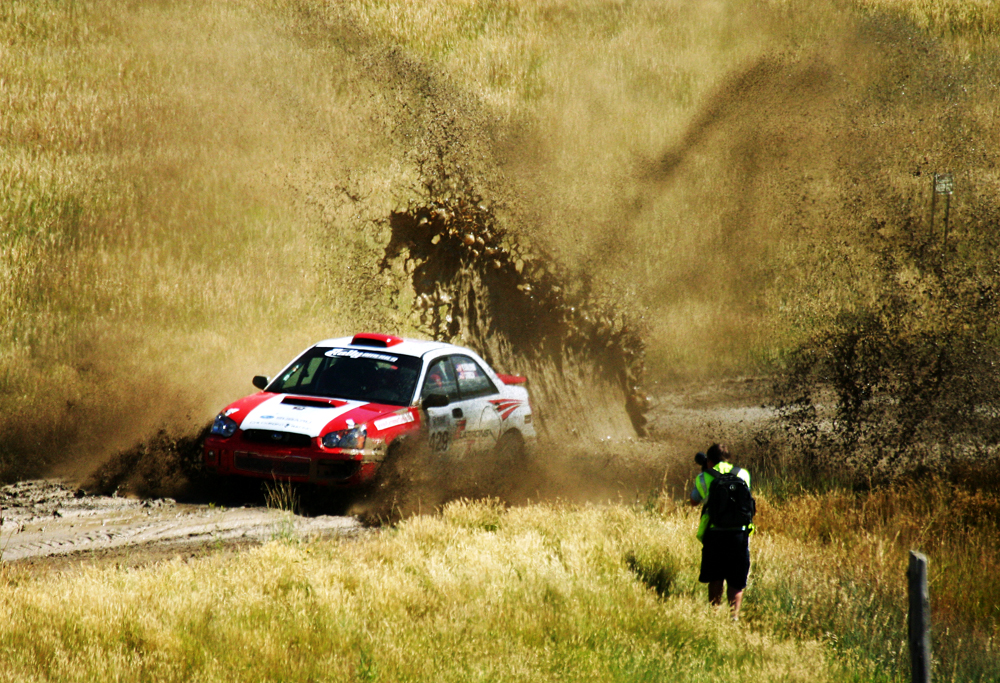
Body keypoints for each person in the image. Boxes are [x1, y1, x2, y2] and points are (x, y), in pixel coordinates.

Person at [690, 443, 752, 620]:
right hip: (739, 533)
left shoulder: (703, 477)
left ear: (709, 460)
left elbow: (694, 501)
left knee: (715, 577)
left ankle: (714, 614)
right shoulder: (743, 474)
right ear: (728, 459)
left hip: (714, 534)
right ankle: (734, 617)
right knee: (736, 580)